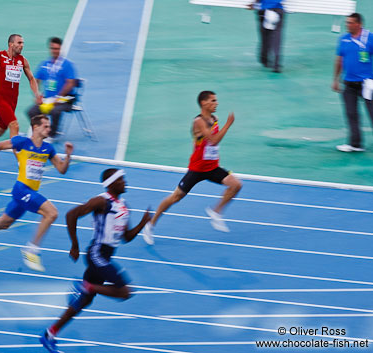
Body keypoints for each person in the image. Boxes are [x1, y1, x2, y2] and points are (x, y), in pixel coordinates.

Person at [39, 168, 150, 353]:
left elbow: (126, 237)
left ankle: (50, 334)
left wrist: (142, 223)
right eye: (121, 180)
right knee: (124, 292)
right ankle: (85, 286)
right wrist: (74, 245)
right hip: (97, 254)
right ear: (112, 184)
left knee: (84, 302)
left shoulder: (123, 206)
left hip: (105, 256)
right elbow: (71, 215)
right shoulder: (101, 201)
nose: (125, 182)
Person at [0, 114, 73, 272]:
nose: (49, 129)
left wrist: (68, 156)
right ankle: (31, 250)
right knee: (52, 213)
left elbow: (62, 169)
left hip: (30, 192)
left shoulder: (48, 149)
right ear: (36, 127)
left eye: (49, 126)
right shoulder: (22, 142)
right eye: (45, 126)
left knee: (3, 224)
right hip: (21, 190)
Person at [142, 91, 242, 244]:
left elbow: (211, 145)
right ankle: (151, 224)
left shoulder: (214, 119)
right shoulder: (199, 122)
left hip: (212, 167)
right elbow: (214, 141)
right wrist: (228, 124)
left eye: (216, 101)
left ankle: (216, 211)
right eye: (213, 101)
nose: (217, 103)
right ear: (204, 103)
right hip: (197, 169)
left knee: (236, 185)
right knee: (175, 197)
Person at [332, 13, 373, 153]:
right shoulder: (343, 39)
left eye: (350, 23)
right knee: (351, 113)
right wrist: (335, 80)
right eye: (347, 22)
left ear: (358, 24)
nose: (347, 25)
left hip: (367, 84)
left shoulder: (369, 38)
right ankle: (355, 144)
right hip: (349, 83)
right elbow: (339, 60)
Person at [27, 37, 77, 140]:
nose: (55, 51)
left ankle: (51, 134)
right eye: (53, 48)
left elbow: (71, 83)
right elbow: (35, 81)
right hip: (47, 99)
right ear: (50, 49)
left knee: (55, 111)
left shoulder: (67, 65)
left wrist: (59, 97)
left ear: (60, 49)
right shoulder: (45, 65)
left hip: (65, 99)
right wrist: (38, 95)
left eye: (57, 49)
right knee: (32, 111)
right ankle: (39, 131)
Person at [249, 0, 284, 73]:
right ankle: (276, 64)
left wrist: (253, 4)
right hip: (278, 10)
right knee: (276, 37)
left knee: (265, 36)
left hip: (264, 11)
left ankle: (264, 59)